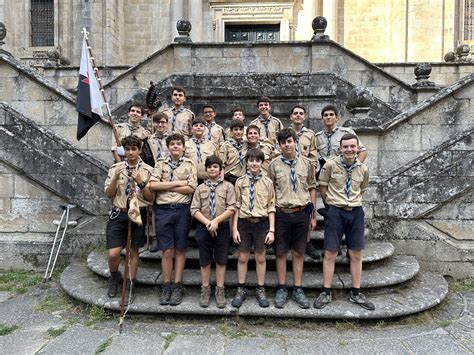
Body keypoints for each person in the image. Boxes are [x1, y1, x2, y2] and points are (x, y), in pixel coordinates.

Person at [313, 133, 374, 311]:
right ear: (340, 148)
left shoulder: (362, 168)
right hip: (336, 212)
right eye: (345, 146)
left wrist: (352, 202)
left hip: (355, 212)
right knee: (330, 252)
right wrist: (330, 206)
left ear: (357, 148)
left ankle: (356, 292)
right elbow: (322, 187)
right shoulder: (331, 165)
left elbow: (362, 189)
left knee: (356, 253)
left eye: (352, 146)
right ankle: (326, 291)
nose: (349, 149)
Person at [268, 128, 317, 309]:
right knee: (280, 252)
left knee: (298, 252)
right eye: (283, 142)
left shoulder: (307, 164)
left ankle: (297, 288)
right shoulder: (273, 165)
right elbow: (270, 190)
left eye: (289, 141)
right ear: (279, 145)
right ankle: (282, 287)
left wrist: (312, 215)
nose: (287, 145)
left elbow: (312, 188)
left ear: (295, 142)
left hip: (302, 212)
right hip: (281, 212)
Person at [104, 135, 156, 302]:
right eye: (127, 149)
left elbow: (150, 198)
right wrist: (114, 179)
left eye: (134, 149)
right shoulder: (115, 168)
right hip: (119, 212)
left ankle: (130, 284)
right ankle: (114, 275)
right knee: (114, 253)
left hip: (137, 213)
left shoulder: (148, 170)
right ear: (124, 151)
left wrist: (140, 182)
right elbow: (109, 194)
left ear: (140, 150)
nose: (130, 152)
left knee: (133, 250)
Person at [149, 133, 197, 306]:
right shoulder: (160, 163)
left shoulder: (190, 164)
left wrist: (166, 184)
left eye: (179, 144)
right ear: (168, 147)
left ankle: (177, 285)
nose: (176, 146)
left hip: (183, 210)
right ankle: (166, 284)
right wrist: (178, 183)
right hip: (163, 210)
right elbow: (153, 185)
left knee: (180, 249)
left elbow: (192, 188)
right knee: (167, 250)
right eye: (172, 144)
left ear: (183, 147)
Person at [231, 149, 276, 308]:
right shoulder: (240, 181)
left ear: (262, 163)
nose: (254, 163)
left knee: (260, 257)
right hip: (244, 222)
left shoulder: (268, 183)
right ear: (247, 162)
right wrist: (234, 228)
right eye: (251, 160)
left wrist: (271, 230)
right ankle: (241, 288)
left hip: (261, 223)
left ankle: (260, 288)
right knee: (242, 257)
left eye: (258, 161)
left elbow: (271, 206)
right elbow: (236, 206)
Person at [191, 156, 236, 308]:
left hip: (222, 227)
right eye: (209, 166)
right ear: (206, 169)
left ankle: (220, 289)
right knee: (205, 260)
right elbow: (194, 209)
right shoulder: (200, 188)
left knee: (221, 259)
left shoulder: (228, 187)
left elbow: (231, 207)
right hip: (204, 227)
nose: (212, 169)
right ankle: (205, 289)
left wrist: (216, 221)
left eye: (215, 166)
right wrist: (209, 222)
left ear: (220, 169)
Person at [289, 105, 320, 260]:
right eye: (295, 113)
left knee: (307, 206)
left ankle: (307, 241)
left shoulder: (310, 134)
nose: (298, 116)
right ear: (291, 117)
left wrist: (312, 168)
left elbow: (313, 153)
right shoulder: (285, 133)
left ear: (305, 116)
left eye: (301, 113)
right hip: (289, 172)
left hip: (305, 172)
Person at [315, 104, 367, 174]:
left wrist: (353, 169)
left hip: (342, 172)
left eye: (331, 115)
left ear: (336, 118)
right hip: (324, 173)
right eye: (325, 115)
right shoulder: (317, 137)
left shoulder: (346, 133)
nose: (328, 117)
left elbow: (362, 152)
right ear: (322, 119)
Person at [185, 117, 219, 184]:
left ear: (205, 129)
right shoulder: (185, 144)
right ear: (192, 128)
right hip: (190, 181)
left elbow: (217, 162)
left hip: (207, 180)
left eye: (201, 126)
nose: (198, 127)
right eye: (196, 126)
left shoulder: (211, 145)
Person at [219, 120, 246, 184]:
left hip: (243, 179)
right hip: (229, 178)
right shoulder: (225, 145)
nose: (238, 132)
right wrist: (221, 181)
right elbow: (221, 165)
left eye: (240, 129)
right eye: (236, 129)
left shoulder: (246, 144)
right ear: (231, 132)